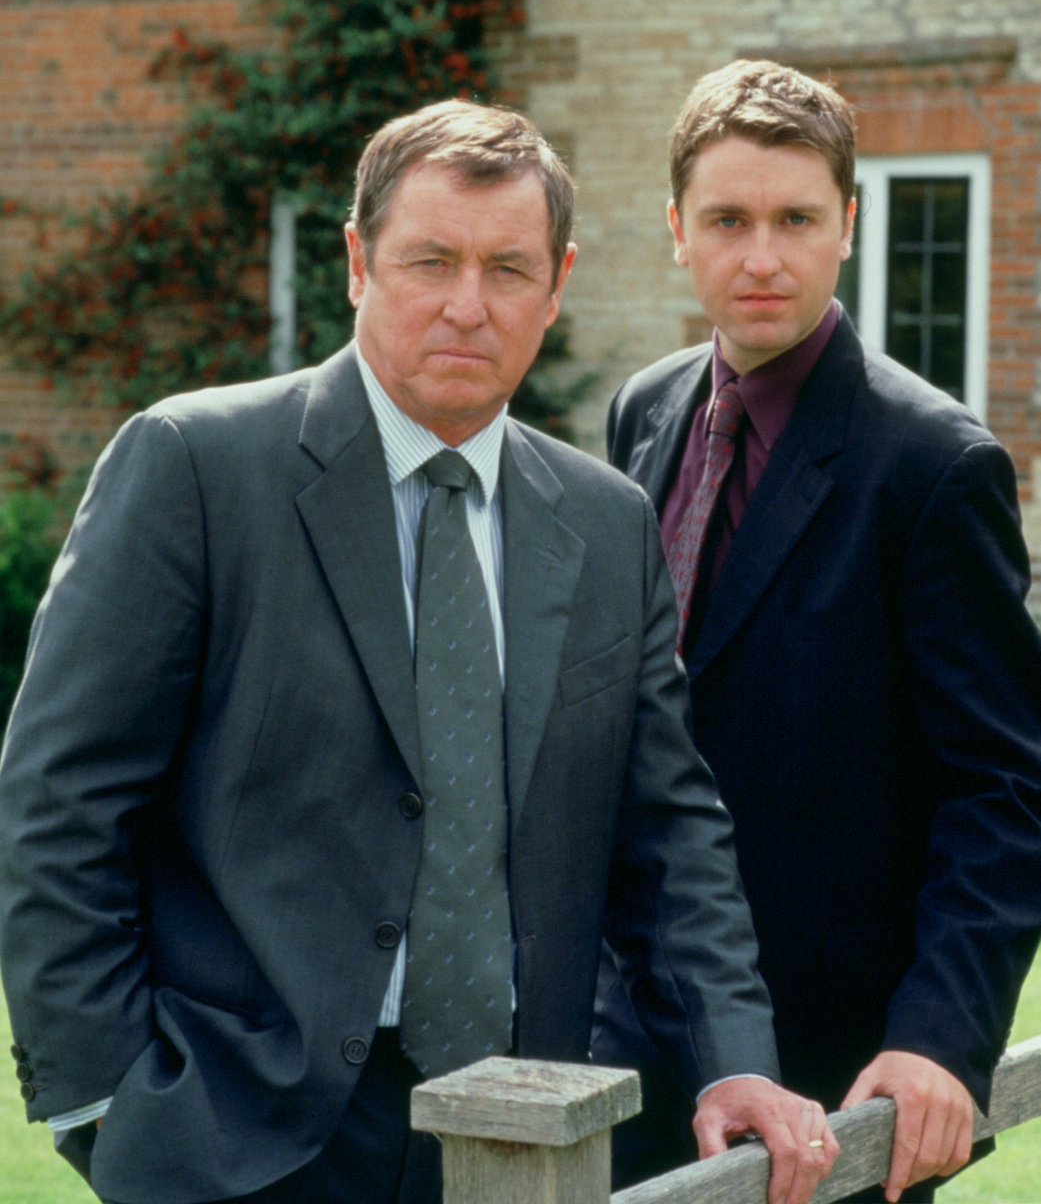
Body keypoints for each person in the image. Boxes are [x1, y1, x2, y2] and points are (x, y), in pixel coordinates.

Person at [0, 100, 836, 1204]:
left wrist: (734, 1060)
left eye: (507, 268)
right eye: (430, 261)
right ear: (358, 262)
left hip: (517, 1128)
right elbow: (59, 799)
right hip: (234, 1126)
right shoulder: (195, 468)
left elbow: (670, 831)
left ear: (557, 284)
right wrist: (104, 1099)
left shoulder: (606, 523)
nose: (466, 305)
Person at [592, 59, 1041, 1203]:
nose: (762, 257)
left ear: (848, 223)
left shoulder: (934, 465)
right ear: (676, 230)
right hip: (631, 1042)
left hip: (834, 1081)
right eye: (727, 220)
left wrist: (941, 1035)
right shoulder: (643, 413)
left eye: (796, 220)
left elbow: (1006, 786)